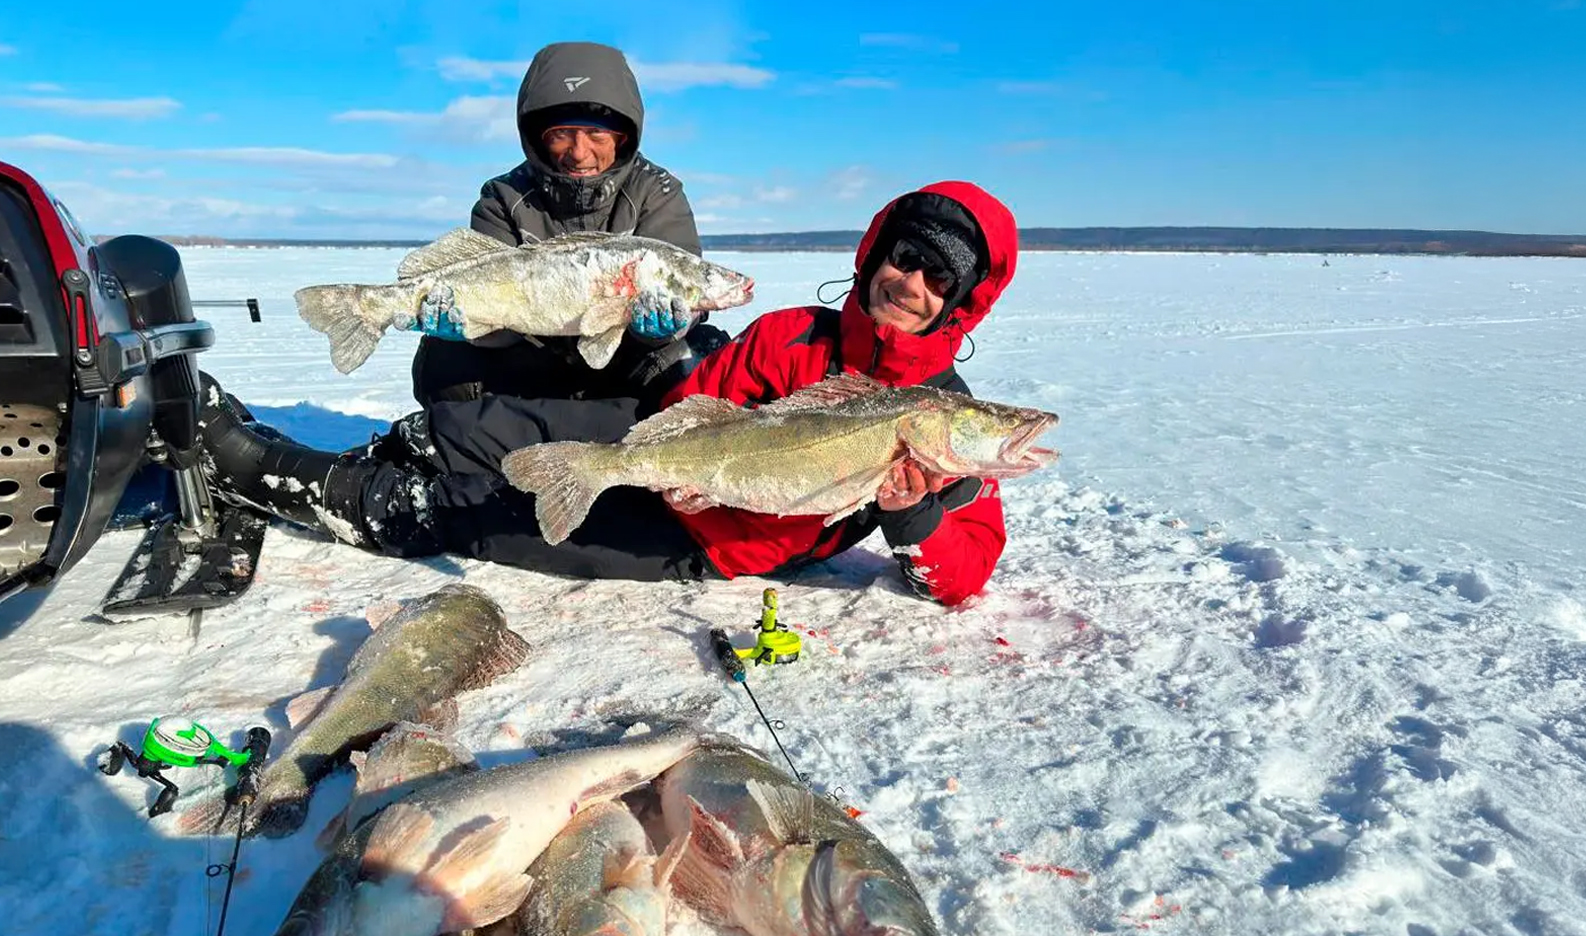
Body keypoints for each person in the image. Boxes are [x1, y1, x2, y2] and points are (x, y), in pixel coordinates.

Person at [198, 181, 1021, 606]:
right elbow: (703, 395)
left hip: (703, 548)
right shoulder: (792, 333)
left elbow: (965, 569)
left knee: (467, 513)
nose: (910, 283)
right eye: (903, 258)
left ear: (961, 299)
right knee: (475, 425)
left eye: (937, 276)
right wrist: (671, 443)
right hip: (676, 460)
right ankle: (385, 442)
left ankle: (271, 472)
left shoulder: (945, 413)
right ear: (876, 253)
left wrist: (916, 519)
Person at [409, 40, 723, 409]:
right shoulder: (502, 197)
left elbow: (686, 295)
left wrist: (660, 330)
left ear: (623, 135)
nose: (579, 152)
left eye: (596, 134)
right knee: (444, 355)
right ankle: (478, 451)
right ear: (538, 137)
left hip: (625, 363)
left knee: (705, 355)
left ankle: (654, 454)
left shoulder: (657, 191)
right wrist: (472, 330)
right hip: (532, 360)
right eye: (561, 134)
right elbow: (496, 319)